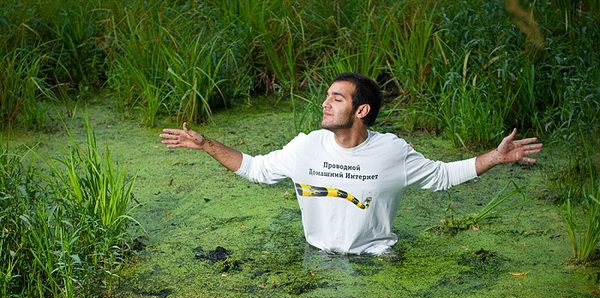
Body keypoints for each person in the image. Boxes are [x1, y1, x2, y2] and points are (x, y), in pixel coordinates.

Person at [160, 73, 542, 255]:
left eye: (337, 98)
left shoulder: (392, 152)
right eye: (327, 96)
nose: (325, 103)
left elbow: (442, 175)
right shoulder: (306, 146)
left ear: (361, 110)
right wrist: (206, 144)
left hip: (376, 261)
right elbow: (256, 168)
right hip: (317, 260)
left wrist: (496, 156)